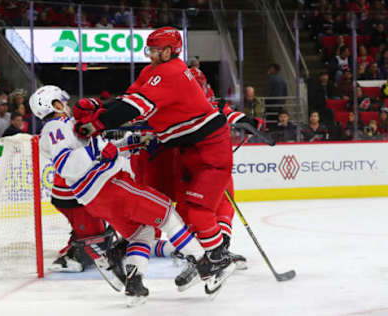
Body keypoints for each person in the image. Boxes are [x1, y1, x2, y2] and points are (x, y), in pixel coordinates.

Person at [73, 27, 263, 291]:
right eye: (149, 49)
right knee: (177, 208)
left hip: (208, 148)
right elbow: (129, 101)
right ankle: (205, 258)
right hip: (184, 149)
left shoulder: (172, 72)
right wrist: (99, 111)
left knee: (198, 210)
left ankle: (217, 257)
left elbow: (135, 108)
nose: (150, 54)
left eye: (155, 49)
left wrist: (97, 124)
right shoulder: (151, 72)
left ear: (169, 50)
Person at [30, 85, 233, 306]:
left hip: (98, 197)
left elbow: (100, 149)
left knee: (142, 233)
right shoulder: (55, 128)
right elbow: (68, 164)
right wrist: (95, 151)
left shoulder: (66, 126)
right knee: (168, 213)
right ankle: (206, 266)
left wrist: (131, 142)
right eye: (63, 102)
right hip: (111, 186)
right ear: (55, 105)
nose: (67, 106)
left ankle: (134, 283)